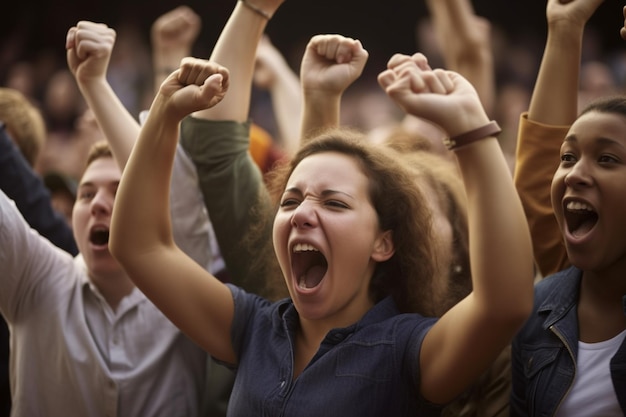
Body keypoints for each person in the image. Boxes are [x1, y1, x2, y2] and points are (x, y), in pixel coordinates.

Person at [109, 40, 534, 415]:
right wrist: (165, 113)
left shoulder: (407, 352)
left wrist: (470, 128)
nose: (302, 214)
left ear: (383, 243)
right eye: (291, 201)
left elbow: (504, 305)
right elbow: (139, 246)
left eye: (334, 203)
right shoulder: (253, 327)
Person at [511, 0, 626, 415]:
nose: (575, 174)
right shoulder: (539, 308)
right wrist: (564, 26)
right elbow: (537, 184)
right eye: (568, 157)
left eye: (608, 159)